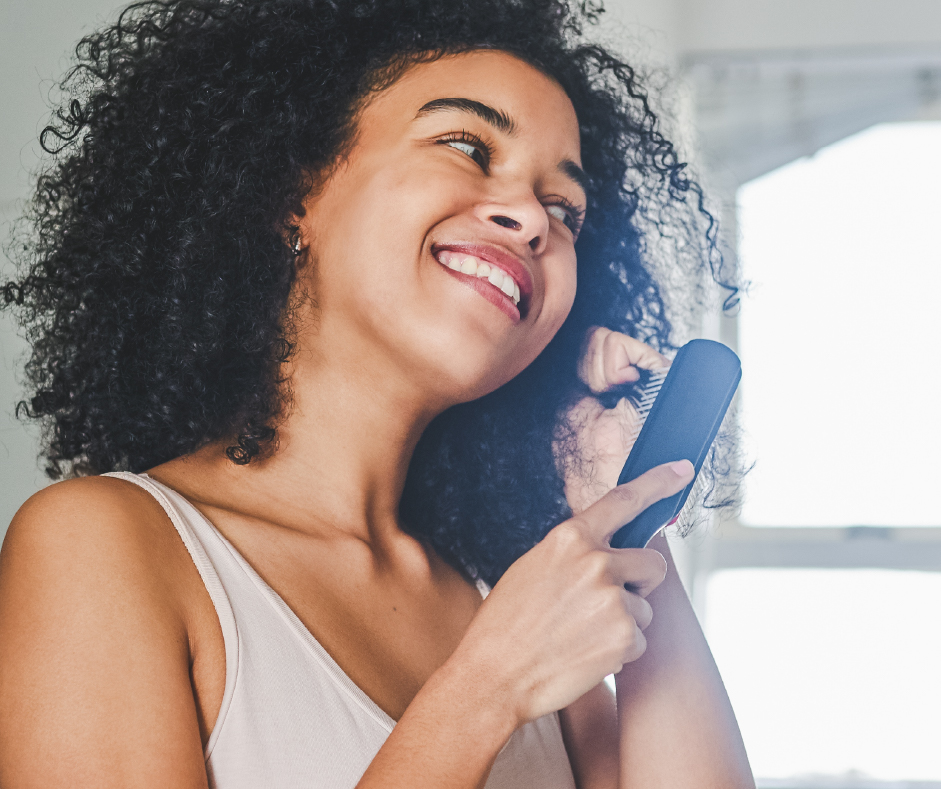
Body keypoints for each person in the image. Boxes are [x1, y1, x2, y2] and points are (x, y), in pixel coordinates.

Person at [0, 0, 754, 786]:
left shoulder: (514, 588)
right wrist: (487, 686)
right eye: (466, 145)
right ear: (293, 188)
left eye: (564, 208)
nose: (532, 217)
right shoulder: (106, 542)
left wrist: (628, 515)